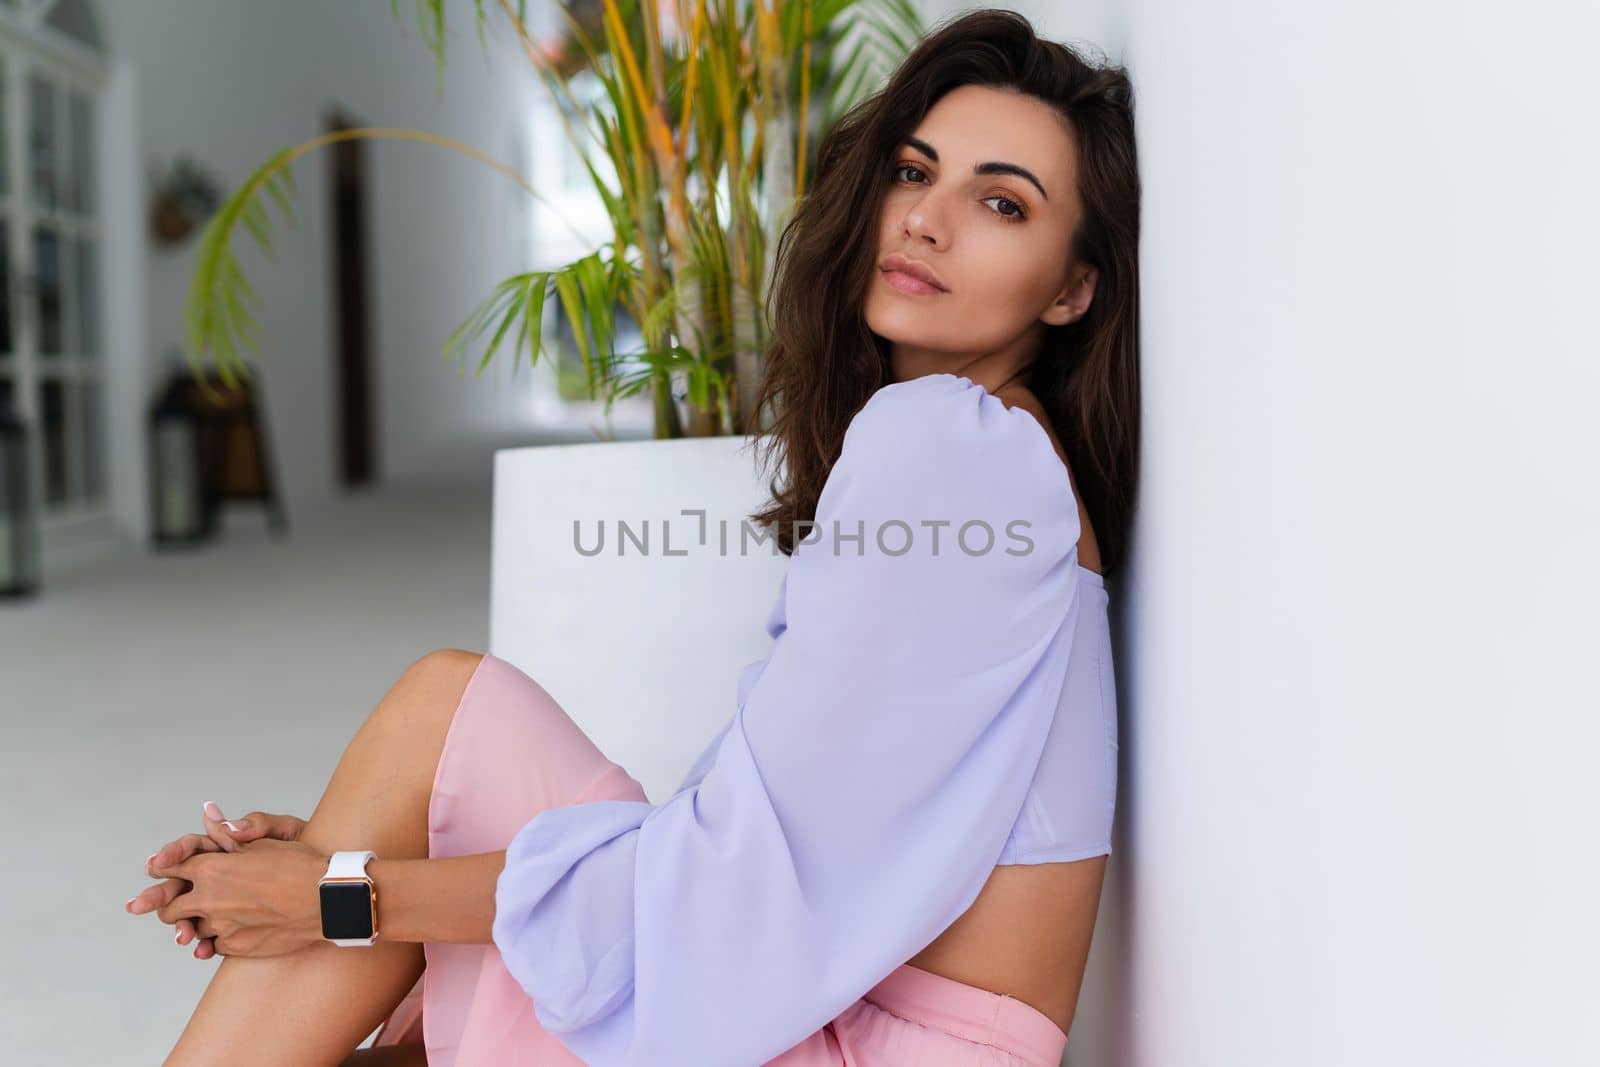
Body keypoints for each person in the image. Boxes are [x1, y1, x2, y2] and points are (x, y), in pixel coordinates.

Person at [123, 9, 1140, 1065]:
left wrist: (343, 896)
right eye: (912, 172)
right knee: (438, 775)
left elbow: (731, 893)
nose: (927, 220)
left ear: (1073, 287)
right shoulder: (1000, 457)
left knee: (432, 752)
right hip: (832, 1001)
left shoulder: (951, 450)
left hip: (860, 1039)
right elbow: (765, 858)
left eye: (1000, 202)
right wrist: (359, 868)